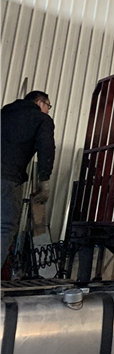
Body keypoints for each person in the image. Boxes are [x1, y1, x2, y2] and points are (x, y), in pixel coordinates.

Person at [1, 91, 55, 260]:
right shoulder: (41, 119)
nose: (48, 110)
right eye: (48, 106)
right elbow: (46, 150)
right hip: (7, 178)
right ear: (40, 103)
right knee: (4, 226)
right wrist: (44, 182)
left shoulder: (4, 113)